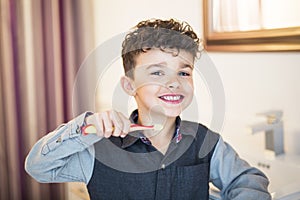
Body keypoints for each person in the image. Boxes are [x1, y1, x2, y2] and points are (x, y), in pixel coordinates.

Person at [25, 18, 271, 199]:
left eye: (183, 72)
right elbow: (39, 167)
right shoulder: (98, 148)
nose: (174, 82)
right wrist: (85, 128)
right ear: (130, 85)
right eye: (157, 72)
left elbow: (248, 179)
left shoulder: (206, 141)